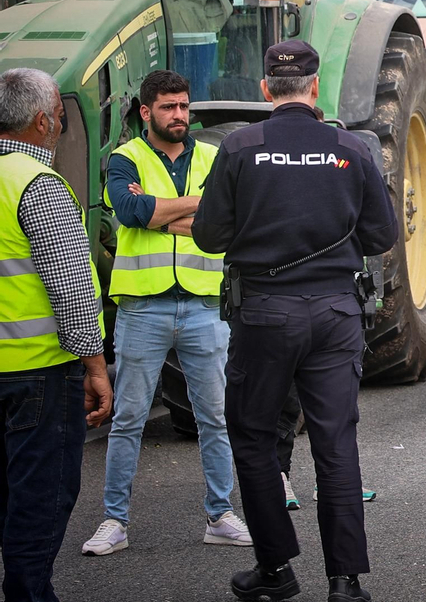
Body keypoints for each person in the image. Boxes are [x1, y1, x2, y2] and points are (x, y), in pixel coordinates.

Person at [194, 41, 397, 602]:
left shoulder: (239, 147)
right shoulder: (350, 147)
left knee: (254, 437)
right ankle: (345, 580)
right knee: (336, 443)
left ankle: (275, 568)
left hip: (264, 313)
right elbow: (381, 236)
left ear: (266, 89)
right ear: (315, 87)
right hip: (335, 312)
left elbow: (209, 236)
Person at [82, 70, 251, 557]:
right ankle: (114, 521)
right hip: (143, 307)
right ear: (146, 112)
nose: (179, 115)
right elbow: (130, 213)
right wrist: (197, 207)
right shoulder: (125, 158)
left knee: (215, 417)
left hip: (204, 305)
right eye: (168, 107)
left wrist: (159, 214)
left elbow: (229, 219)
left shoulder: (214, 156)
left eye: (183, 105)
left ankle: (220, 515)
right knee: (129, 418)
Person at [0, 67, 113, 601]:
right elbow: (71, 290)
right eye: (62, 119)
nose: (62, 127)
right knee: (38, 502)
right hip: (37, 376)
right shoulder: (38, 185)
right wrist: (96, 368)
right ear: (43, 122)